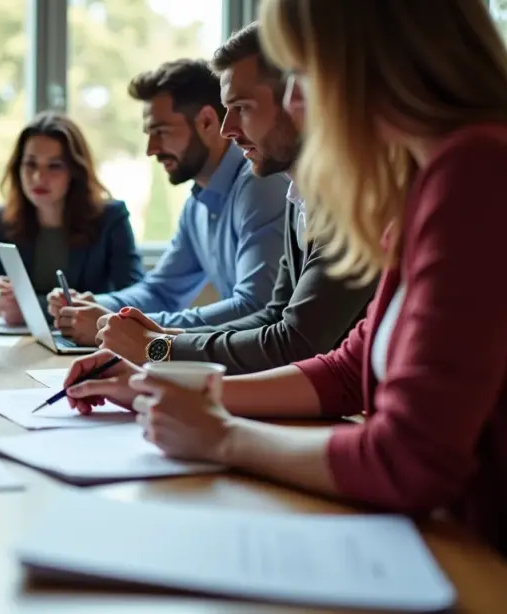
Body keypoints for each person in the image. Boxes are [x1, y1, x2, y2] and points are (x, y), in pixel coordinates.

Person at [64, 0, 507, 555]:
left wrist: (223, 436)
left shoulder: (476, 172)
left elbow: (410, 460)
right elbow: (348, 369)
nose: (295, 100)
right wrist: (160, 386)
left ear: (365, 65)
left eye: (299, 74)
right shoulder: (427, 182)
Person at [94, 23, 376, 373]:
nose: (228, 129)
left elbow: (295, 342)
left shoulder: (352, 197)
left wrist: (158, 348)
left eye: (241, 107)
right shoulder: (297, 194)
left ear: (300, 99)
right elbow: (274, 315)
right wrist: (167, 337)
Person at [47, 59, 289, 346]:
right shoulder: (197, 205)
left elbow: (255, 307)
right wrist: (94, 305)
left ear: (207, 122)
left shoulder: (259, 185)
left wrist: (122, 325)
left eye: (160, 131)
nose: (151, 150)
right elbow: (161, 291)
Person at [0, 111, 143, 323]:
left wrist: (32, 309)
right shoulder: (3, 220)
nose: (39, 177)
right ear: (17, 168)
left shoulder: (110, 218)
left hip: (87, 345)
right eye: (30, 164)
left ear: (74, 171)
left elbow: (138, 298)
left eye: (54, 166)